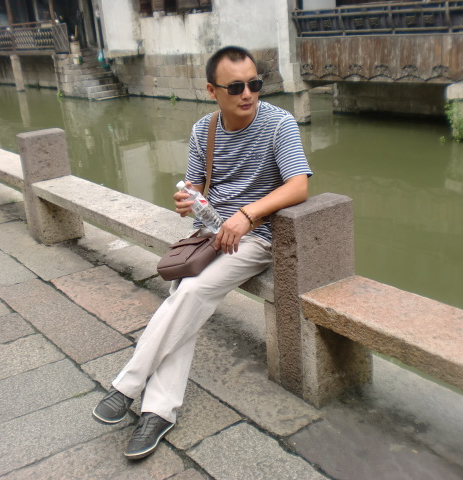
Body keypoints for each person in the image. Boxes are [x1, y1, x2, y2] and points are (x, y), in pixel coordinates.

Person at [92, 45, 312, 460]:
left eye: (254, 84)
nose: (247, 94)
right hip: (209, 235)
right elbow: (194, 186)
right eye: (235, 87)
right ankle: (158, 412)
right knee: (184, 302)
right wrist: (187, 198)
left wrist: (247, 215)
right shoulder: (203, 130)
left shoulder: (278, 124)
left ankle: (127, 385)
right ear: (212, 90)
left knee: (188, 294)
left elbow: (298, 185)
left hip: (256, 238)